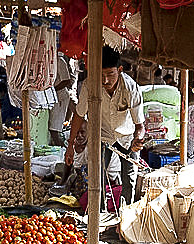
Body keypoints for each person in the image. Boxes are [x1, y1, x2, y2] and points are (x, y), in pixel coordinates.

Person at [66, 46, 145, 207]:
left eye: (110, 74)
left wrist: (138, 139)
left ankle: (125, 215)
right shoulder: (90, 85)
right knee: (97, 176)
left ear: (120, 70)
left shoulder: (130, 88)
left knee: (129, 178)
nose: (105, 80)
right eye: (101, 75)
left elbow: (140, 126)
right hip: (101, 136)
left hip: (127, 137)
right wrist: (70, 145)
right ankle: (99, 214)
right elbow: (79, 115)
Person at [49, 54, 77, 146]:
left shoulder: (60, 61)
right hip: (54, 96)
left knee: (54, 128)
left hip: (60, 96)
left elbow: (67, 81)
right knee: (52, 126)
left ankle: (62, 149)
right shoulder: (49, 60)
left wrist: (53, 89)